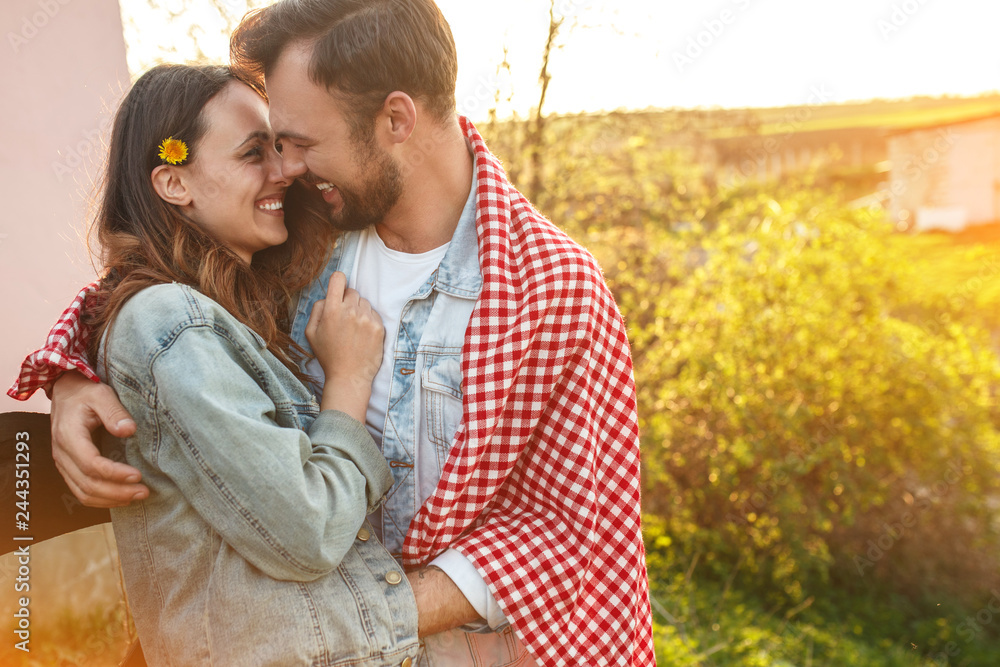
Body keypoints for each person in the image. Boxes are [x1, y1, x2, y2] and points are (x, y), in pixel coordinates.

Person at [10, 0, 655, 664]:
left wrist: (351, 617)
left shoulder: (553, 289)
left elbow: (572, 530)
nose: (286, 168)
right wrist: (71, 377)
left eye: (299, 142)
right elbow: (151, 292)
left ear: (395, 119)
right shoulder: (297, 244)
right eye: (270, 145)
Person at [58, 62, 421, 666]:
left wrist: (64, 372)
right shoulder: (172, 322)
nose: (285, 170)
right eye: (255, 153)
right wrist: (350, 379)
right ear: (175, 184)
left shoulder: (239, 302)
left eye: (280, 146)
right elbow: (307, 530)